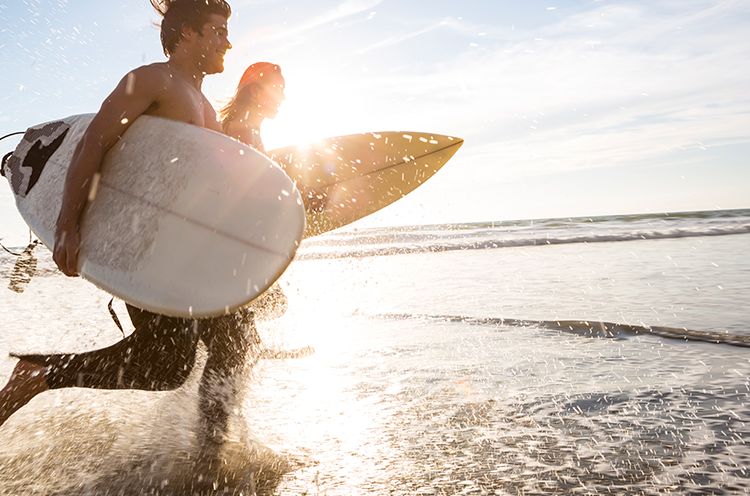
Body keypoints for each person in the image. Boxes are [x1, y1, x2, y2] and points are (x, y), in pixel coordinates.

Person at [0, 0, 256, 461]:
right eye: (217, 32)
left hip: (184, 251)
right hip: (144, 247)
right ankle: (39, 374)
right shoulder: (152, 80)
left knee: (238, 332)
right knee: (164, 366)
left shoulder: (205, 107)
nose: (227, 42)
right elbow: (94, 142)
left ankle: (212, 450)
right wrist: (66, 225)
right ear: (186, 36)